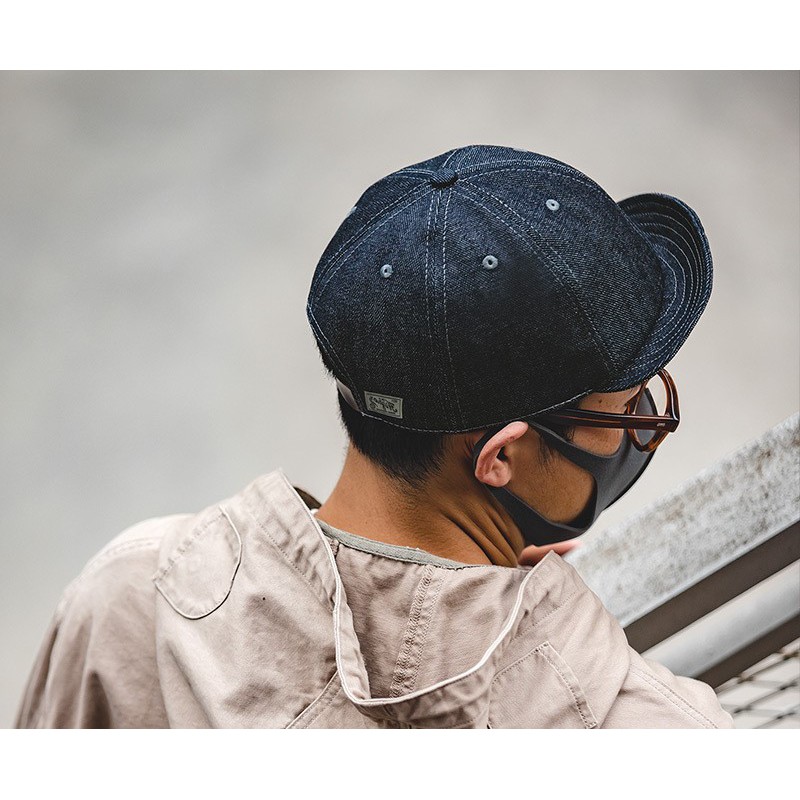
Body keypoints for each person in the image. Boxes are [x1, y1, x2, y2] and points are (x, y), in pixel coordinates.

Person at [16, 144, 734, 728]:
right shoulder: (657, 736)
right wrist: (525, 615)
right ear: (501, 457)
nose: (642, 421)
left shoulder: (134, 595)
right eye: (627, 408)